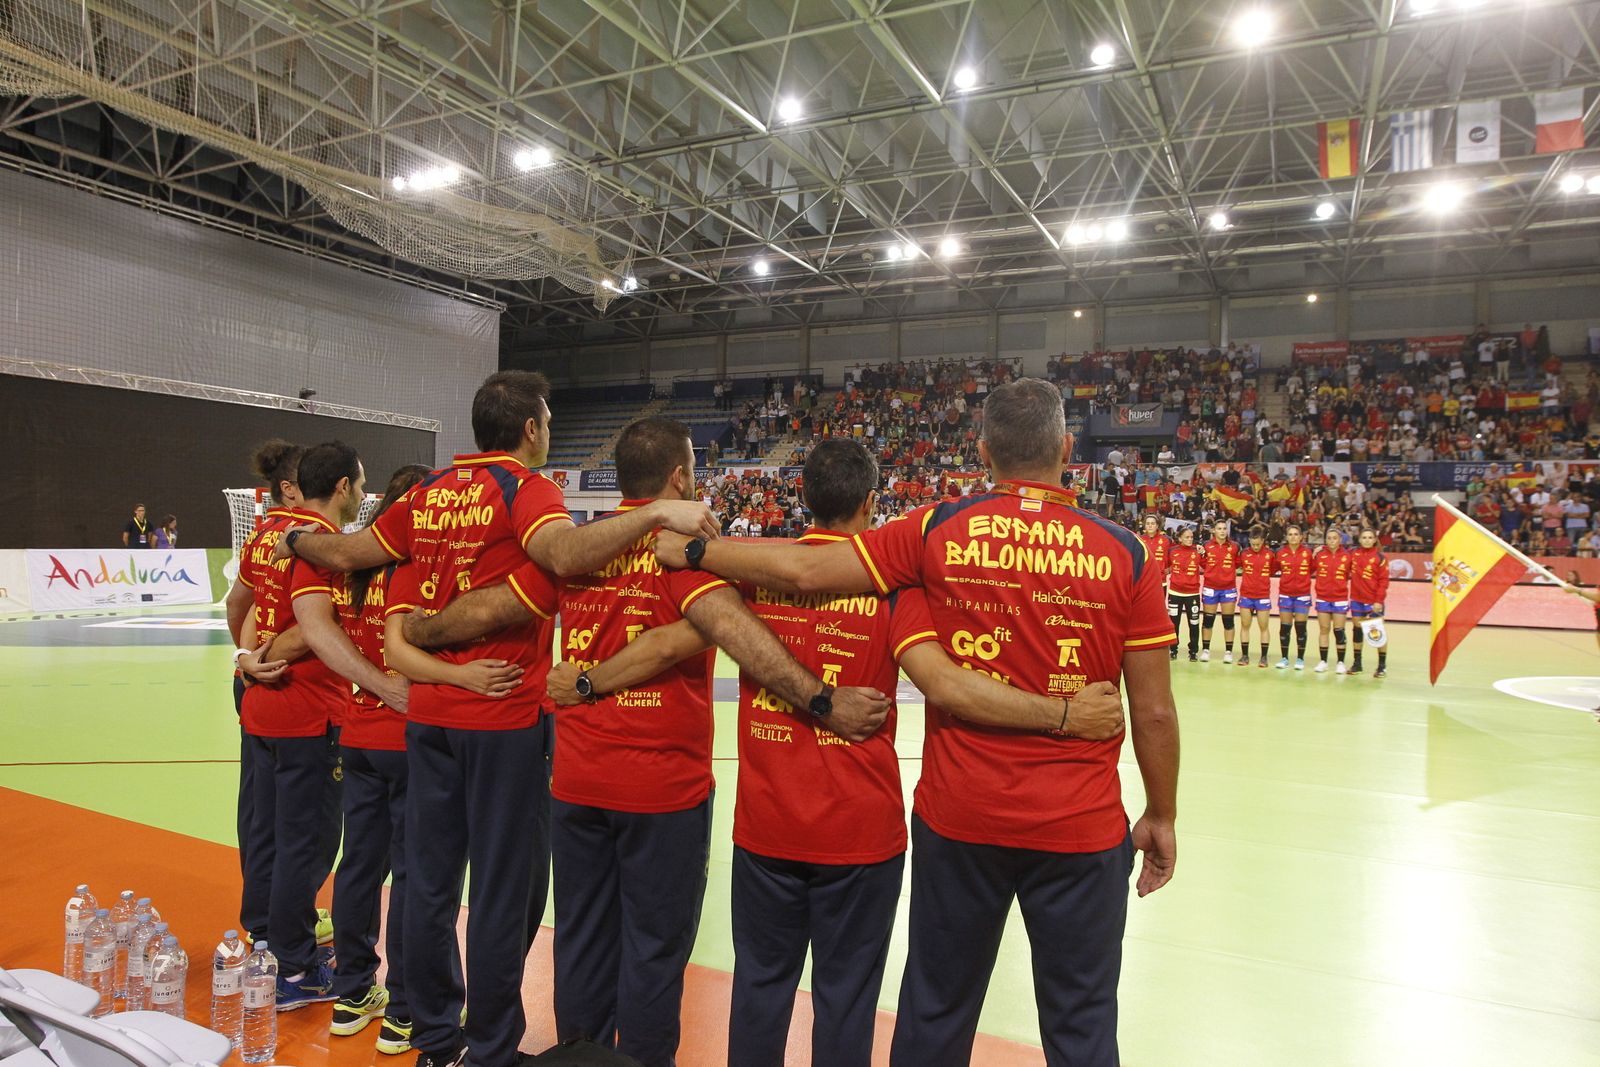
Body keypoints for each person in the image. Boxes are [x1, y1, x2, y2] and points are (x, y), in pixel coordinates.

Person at [542, 438, 1127, 1067]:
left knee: (760, 988)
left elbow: (679, 634)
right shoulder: (896, 589)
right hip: (860, 834)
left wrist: (586, 681)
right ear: (872, 503)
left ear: (803, 498)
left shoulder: (751, 567)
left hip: (765, 827)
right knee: (847, 998)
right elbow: (949, 679)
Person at [648, 378, 1180, 1067]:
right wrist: (1160, 812)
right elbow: (1157, 709)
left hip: (959, 821)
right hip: (1079, 829)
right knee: (1081, 1025)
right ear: (1068, 449)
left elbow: (808, 573)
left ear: (983, 450)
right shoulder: (1128, 551)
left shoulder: (935, 531)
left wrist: (696, 551)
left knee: (933, 1010)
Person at [274, 372, 722, 1067]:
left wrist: (298, 544)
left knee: (425, 881)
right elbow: (564, 557)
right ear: (533, 429)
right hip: (504, 712)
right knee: (502, 894)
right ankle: (487, 1047)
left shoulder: (424, 492)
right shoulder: (524, 489)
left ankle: (429, 1037)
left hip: (428, 717)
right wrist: (659, 514)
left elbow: (350, 553)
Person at [243, 441, 388, 1010]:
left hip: (262, 707)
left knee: (269, 837)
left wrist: (247, 656)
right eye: (361, 482)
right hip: (309, 711)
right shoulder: (328, 546)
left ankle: (266, 943)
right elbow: (314, 622)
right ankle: (296, 971)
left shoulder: (266, 533)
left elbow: (246, 603)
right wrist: (277, 647)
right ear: (345, 488)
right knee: (308, 847)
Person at [303, 463, 432, 1052]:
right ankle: (405, 1009)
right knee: (412, 875)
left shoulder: (352, 571)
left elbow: (324, 634)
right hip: (409, 738)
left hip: (357, 737)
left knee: (359, 865)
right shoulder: (417, 569)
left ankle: (353, 993)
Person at [1346, 528, 1391, 678]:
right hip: (1357, 600)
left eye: (1369, 537)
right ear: (1359, 539)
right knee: (1357, 631)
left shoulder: (1380, 557)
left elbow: (1383, 581)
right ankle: (1357, 663)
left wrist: (1379, 601)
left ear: (1374, 540)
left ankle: (1382, 666)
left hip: (1373, 602)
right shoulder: (1353, 554)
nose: (1366, 540)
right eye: (1364, 537)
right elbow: (1338, 554)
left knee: (1376, 633)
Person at [1199, 518, 1241, 663]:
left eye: (1224, 529)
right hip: (1210, 588)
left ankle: (1228, 652)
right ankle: (1205, 650)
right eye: (1219, 528)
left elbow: (1238, 564)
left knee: (1228, 621)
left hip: (1228, 589)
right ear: (1213, 531)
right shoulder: (1206, 546)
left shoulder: (1235, 546)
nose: (1222, 531)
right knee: (1208, 620)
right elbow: (1202, 563)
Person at [1274, 524, 1314, 670]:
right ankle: (1284, 658)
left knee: (1300, 627)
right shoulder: (1280, 553)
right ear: (1286, 537)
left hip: (1302, 595)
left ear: (1301, 537)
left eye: (1296, 534)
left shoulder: (1308, 553)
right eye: (1290, 534)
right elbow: (1274, 568)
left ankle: (1300, 659)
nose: (1293, 537)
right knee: (1285, 627)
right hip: (1285, 594)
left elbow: (1313, 568)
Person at [1312, 527, 1352, 674]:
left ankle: (1340, 662)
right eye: (1329, 538)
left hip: (1340, 598)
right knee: (1324, 629)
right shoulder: (1319, 555)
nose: (1332, 541)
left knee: (1339, 630)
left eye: (1335, 538)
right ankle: (1323, 661)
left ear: (1340, 540)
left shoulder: (1347, 556)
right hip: (1323, 597)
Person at [1235, 525, 1274, 668]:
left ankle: (1264, 657)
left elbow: (1273, 569)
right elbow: (1236, 565)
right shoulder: (1244, 554)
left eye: (1258, 544)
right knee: (1245, 625)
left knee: (1264, 626)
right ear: (1249, 540)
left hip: (1263, 595)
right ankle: (1245, 656)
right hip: (1246, 595)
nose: (1256, 547)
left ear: (1263, 541)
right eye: (1253, 544)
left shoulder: (1270, 555)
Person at [1167, 526, 1202, 662]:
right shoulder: (1172, 551)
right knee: (1174, 623)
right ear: (1180, 538)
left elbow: (1205, 564)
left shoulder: (1198, 551)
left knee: (1193, 623)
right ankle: (1173, 649)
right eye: (1187, 537)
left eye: (1191, 537)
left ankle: (1193, 651)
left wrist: (1203, 552)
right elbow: (1166, 565)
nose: (1190, 539)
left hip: (1192, 594)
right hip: (1175, 592)